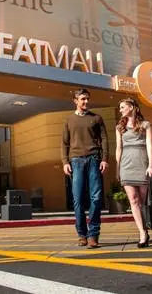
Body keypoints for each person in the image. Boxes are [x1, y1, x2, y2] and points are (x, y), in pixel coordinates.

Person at [62, 88, 108, 249]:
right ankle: (82, 233)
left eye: (87, 99)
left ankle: (93, 234)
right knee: (78, 198)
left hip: (94, 159)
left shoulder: (96, 118)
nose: (86, 101)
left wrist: (104, 159)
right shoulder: (69, 120)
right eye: (82, 99)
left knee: (96, 197)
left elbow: (104, 139)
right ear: (75, 100)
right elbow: (64, 143)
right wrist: (65, 162)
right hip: (76, 161)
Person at [115, 97, 152, 248]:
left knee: (142, 200)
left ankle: (145, 227)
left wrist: (151, 165)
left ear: (132, 107)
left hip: (142, 163)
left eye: (123, 107)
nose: (121, 110)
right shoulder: (120, 127)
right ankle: (142, 233)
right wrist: (118, 168)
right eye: (120, 108)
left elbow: (149, 145)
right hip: (126, 165)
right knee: (133, 200)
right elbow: (119, 148)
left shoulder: (146, 125)